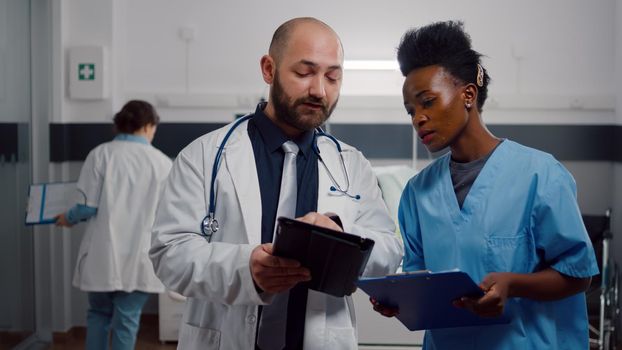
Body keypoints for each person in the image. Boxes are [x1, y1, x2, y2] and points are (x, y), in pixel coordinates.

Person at [149, 17, 403, 350]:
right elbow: (169, 255)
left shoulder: (351, 164)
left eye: (332, 77)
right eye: (304, 73)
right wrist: (244, 268)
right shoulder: (204, 156)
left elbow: (389, 249)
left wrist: (346, 239)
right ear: (269, 69)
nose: (319, 90)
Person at [371, 21, 599, 349]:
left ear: (468, 95)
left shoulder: (540, 175)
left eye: (428, 101)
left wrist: (513, 285)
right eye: (411, 110)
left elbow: (579, 275)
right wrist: (401, 302)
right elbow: (422, 283)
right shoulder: (417, 194)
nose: (418, 118)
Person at [56, 100, 172, 350]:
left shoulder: (101, 155)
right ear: (146, 126)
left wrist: (67, 218)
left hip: (102, 255)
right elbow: (169, 215)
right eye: (153, 128)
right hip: (138, 256)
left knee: (98, 316)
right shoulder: (162, 163)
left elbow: (87, 207)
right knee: (127, 322)